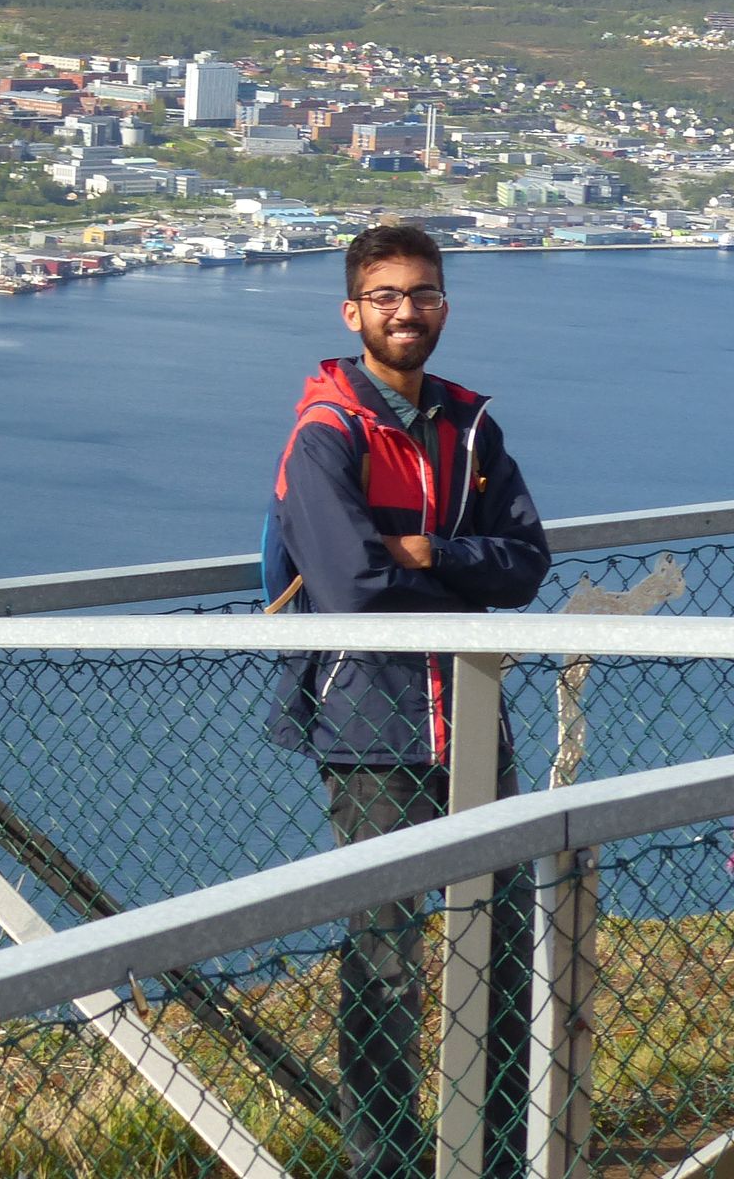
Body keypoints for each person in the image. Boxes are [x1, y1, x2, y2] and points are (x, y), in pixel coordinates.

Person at [265, 222, 550, 1179]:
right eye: (386, 296)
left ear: (444, 306)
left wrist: (435, 553)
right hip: (371, 724)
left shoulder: (471, 426)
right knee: (385, 960)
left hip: (470, 712)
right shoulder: (327, 433)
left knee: (503, 943)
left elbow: (527, 565)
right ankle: (381, 1164)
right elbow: (352, 592)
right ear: (352, 313)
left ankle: (495, 1155)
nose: (406, 311)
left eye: (423, 293)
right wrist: (466, 582)